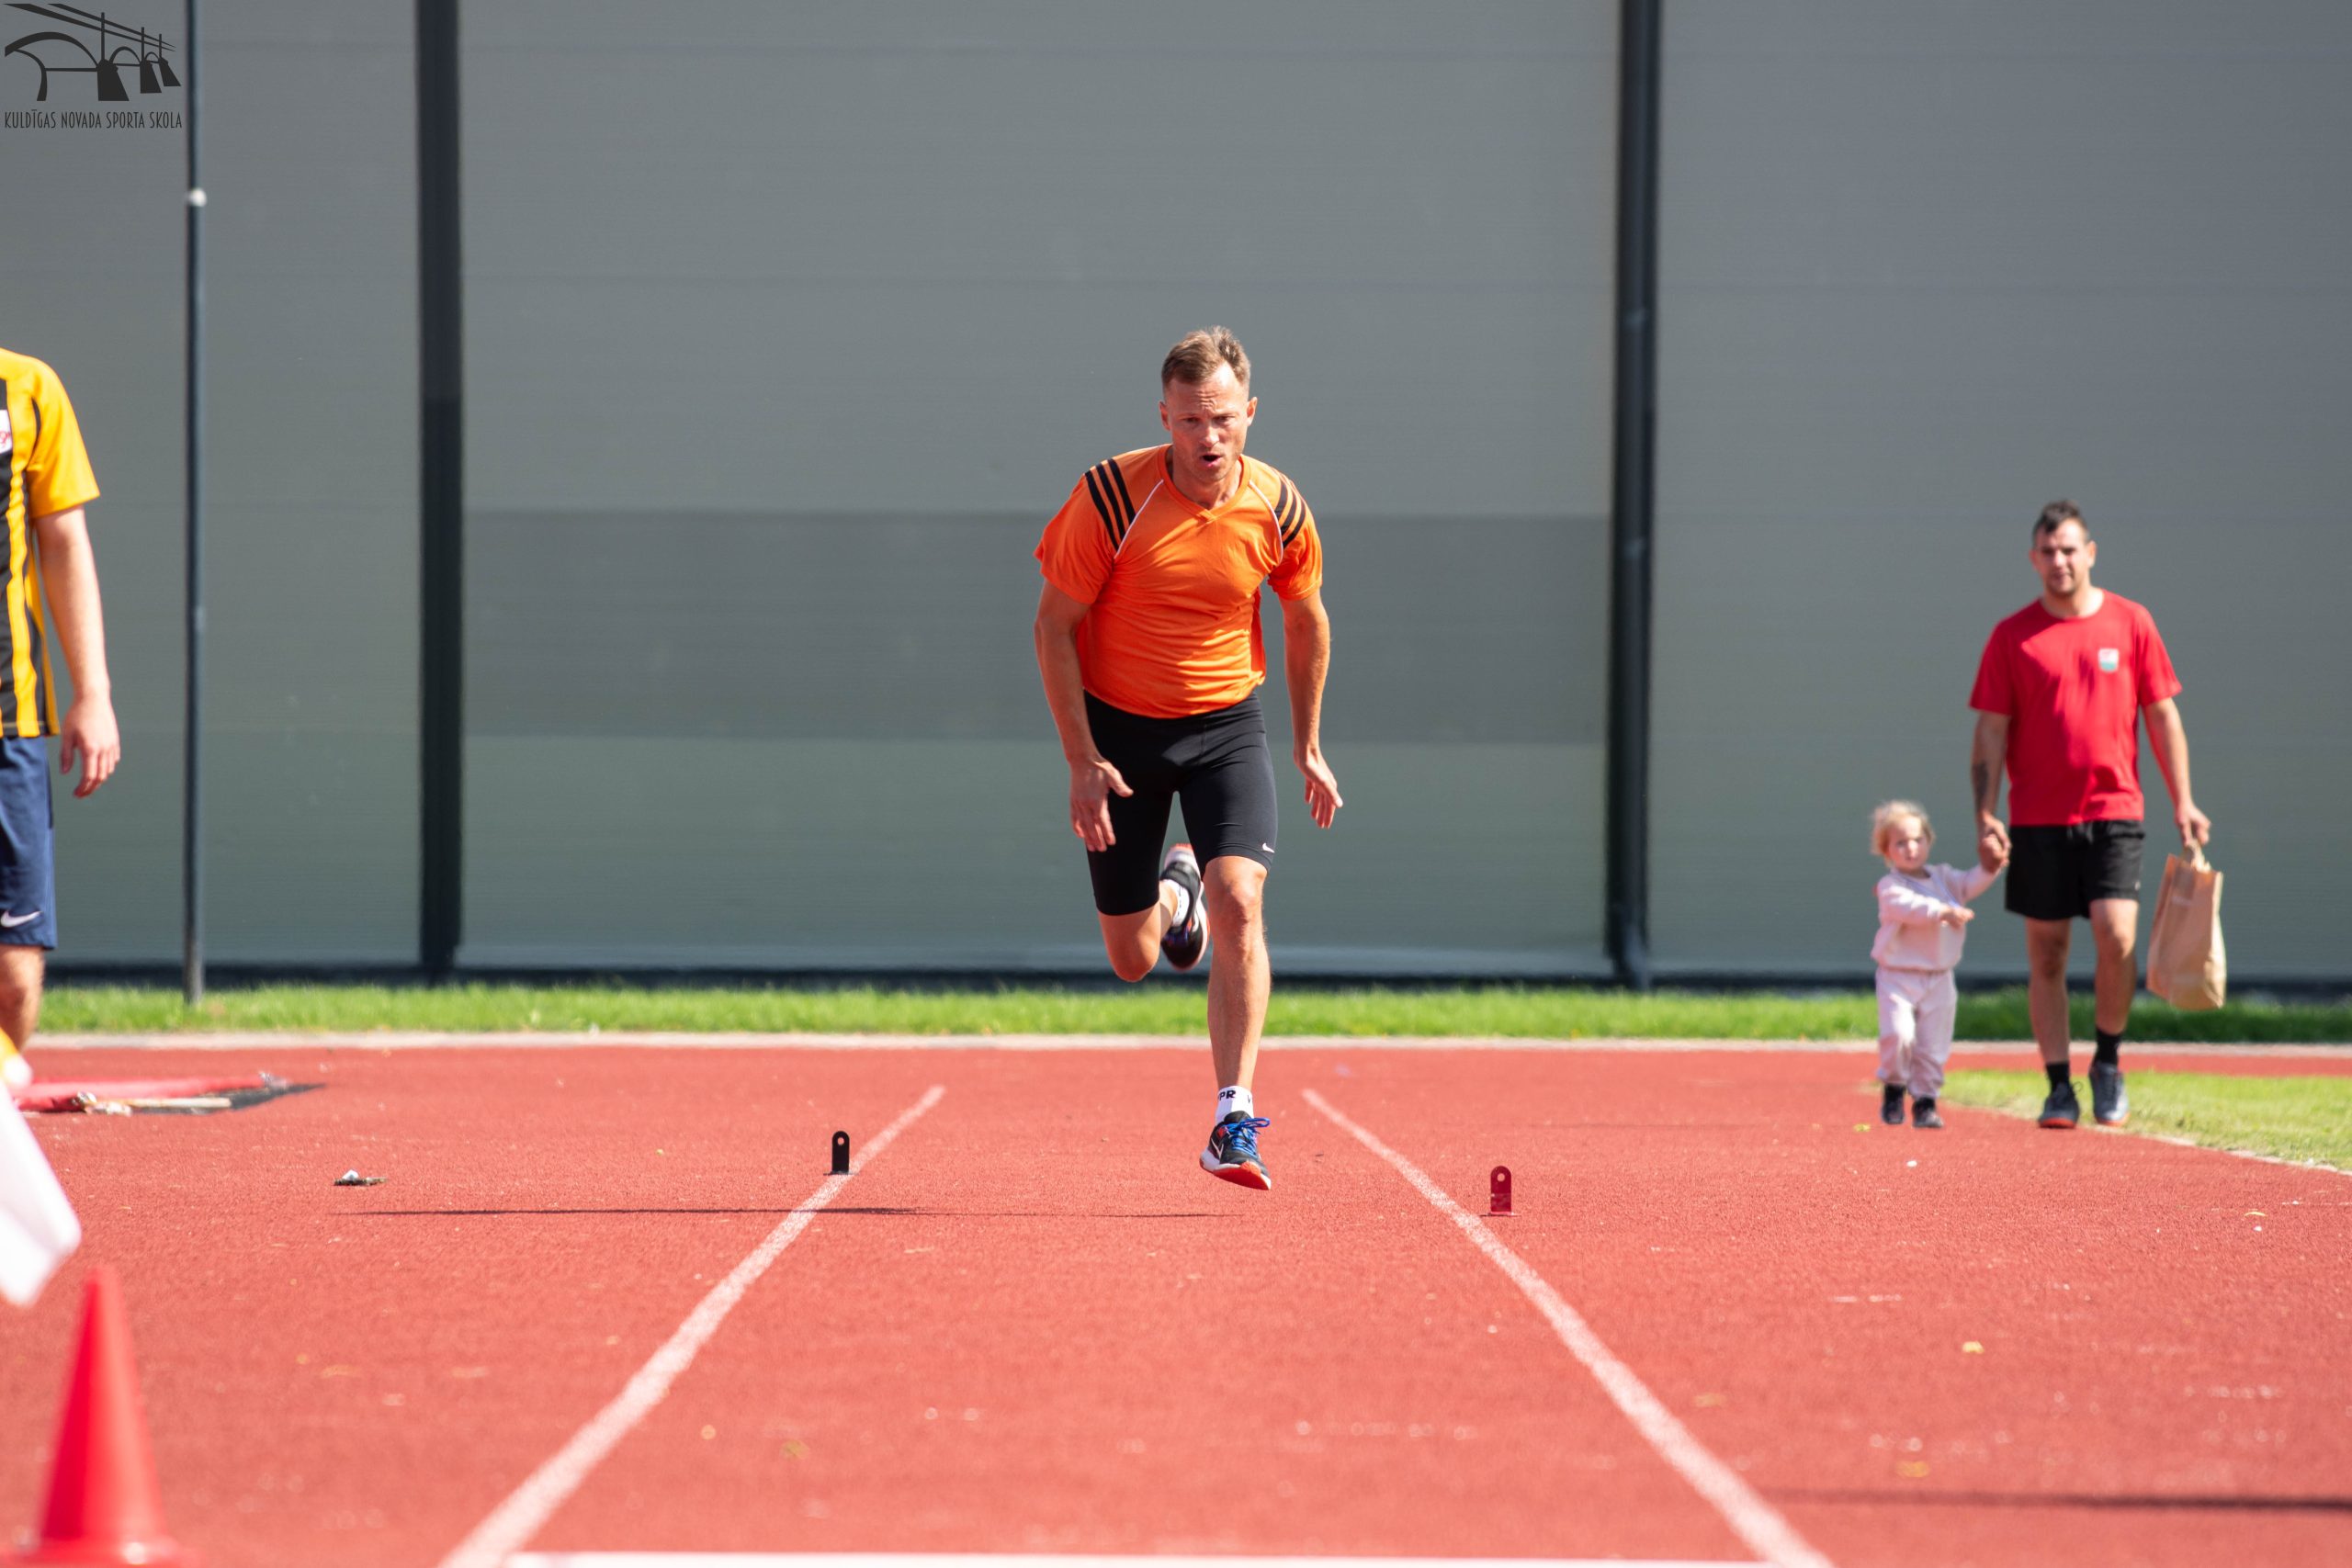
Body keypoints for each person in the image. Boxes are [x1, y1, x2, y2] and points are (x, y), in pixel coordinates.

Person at [1032, 327, 1340, 1190]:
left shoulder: (1277, 506)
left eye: (1224, 418)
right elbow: (1052, 627)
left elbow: (1306, 619)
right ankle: (1177, 896)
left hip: (1225, 727)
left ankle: (1232, 1118)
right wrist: (1081, 759)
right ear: (1164, 417)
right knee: (1133, 957)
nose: (1209, 436)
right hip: (1122, 735)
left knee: (1242, 895)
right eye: (1191, 420)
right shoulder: (1109, 497)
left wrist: (1308, 743)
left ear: (1251, 413)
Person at [1968, 501, 2209, 1130]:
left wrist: (2183, 799)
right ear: (2033, 559)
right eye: (2048, 552)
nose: (2060, 561)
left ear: (2091, 553)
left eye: (2070, 549)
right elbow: (1990, 731)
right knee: (2047, 953)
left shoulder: (2132, 622)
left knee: (2117, 934)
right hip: (2037, 817)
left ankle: (2107, 1059)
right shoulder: (2012, 636)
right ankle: (2058, 1086)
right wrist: (1985, 814)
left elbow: (2162, 715)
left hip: (2115, 808)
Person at [0, 346, 121, 1098]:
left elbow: (65, 541)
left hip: (8, 722)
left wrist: (93, 691)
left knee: (14, 978)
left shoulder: (28, 387)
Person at [1869, 800, 1999, 1129]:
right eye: (1900, 842)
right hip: (1898, 976)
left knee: (1932, 1045)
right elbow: (1909, 907)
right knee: (1899, 1035)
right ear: (1886, 850)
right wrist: (1943, 911)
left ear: (1929, 840)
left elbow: (1970, 883)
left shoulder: (1944, 878)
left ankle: (1925, 1102)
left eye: (1917, 839)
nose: (1911, 848)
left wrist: (1991, 867)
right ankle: (1894, 1086)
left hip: (1939, 977)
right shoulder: (1890, 887)